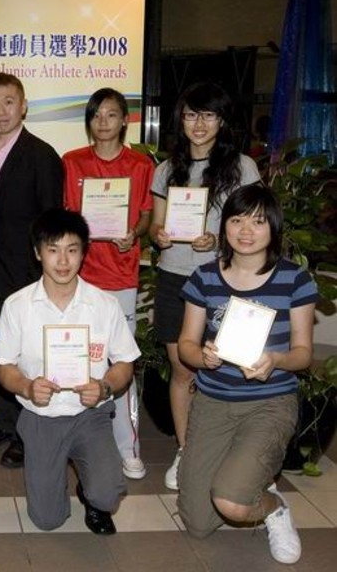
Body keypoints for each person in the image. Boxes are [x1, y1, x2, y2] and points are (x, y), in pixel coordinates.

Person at [177, 184, 317, 565]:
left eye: (257, 221)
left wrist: (275, 360)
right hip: (212, 402)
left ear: (273, 227)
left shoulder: (294, 279)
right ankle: (247, 479)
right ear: (224, 227)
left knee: (232, 504)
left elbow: (303, 354)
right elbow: (187, 344)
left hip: (269, 403)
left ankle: (272, 507)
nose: (245, 230)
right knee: (199, 522)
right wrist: (201, 357)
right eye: (236, 220)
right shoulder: (205, 277)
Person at [0, 208, 140, 534]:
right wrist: (27, 387)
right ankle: (53, 477)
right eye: (53, 250)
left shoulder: (105, 305)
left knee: (107, 495)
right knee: (48, 519)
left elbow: (124, 364)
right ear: (37, 253)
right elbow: (3, 367)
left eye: (72, 250)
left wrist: (104, 387)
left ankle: (92, 493)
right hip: (40, 415)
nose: (63, 261)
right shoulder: (17, 306)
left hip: (90, 414)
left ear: (84, 253)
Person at [148, 81, 260, 490]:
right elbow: (158, 222)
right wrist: (159, 235)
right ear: (181, 118)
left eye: (208, 115)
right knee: (182, 368)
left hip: (224, 280)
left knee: (227, 366)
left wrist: (219, 240)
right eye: (192, 114)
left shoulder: (243, 167)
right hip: (175, 275)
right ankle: (186, 450)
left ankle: (229, 450)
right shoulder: (167, 168)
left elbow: (255, 225)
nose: (199, 123)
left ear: (222, 120)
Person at [63, 87, 154, 480]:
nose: (104, 121)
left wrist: (134, 233)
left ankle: (126, 447)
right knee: (75, 360)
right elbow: (68, 216)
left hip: (120, 276)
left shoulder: (140, 164)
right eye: (97, 114)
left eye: (112, 114)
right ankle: (78, 443)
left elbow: (148, 215)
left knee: (120, 363)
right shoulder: (72, 162)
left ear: (124, 120)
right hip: (77, 278)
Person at [0, 72, 64, 468]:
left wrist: (45, 272)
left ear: (23, 106)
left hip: (27, 274)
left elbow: (50, 222)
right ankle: (4, 427)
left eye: (9, 102)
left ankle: (29, 436)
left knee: (29, 357)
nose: (1, 111)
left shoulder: (42, 155)